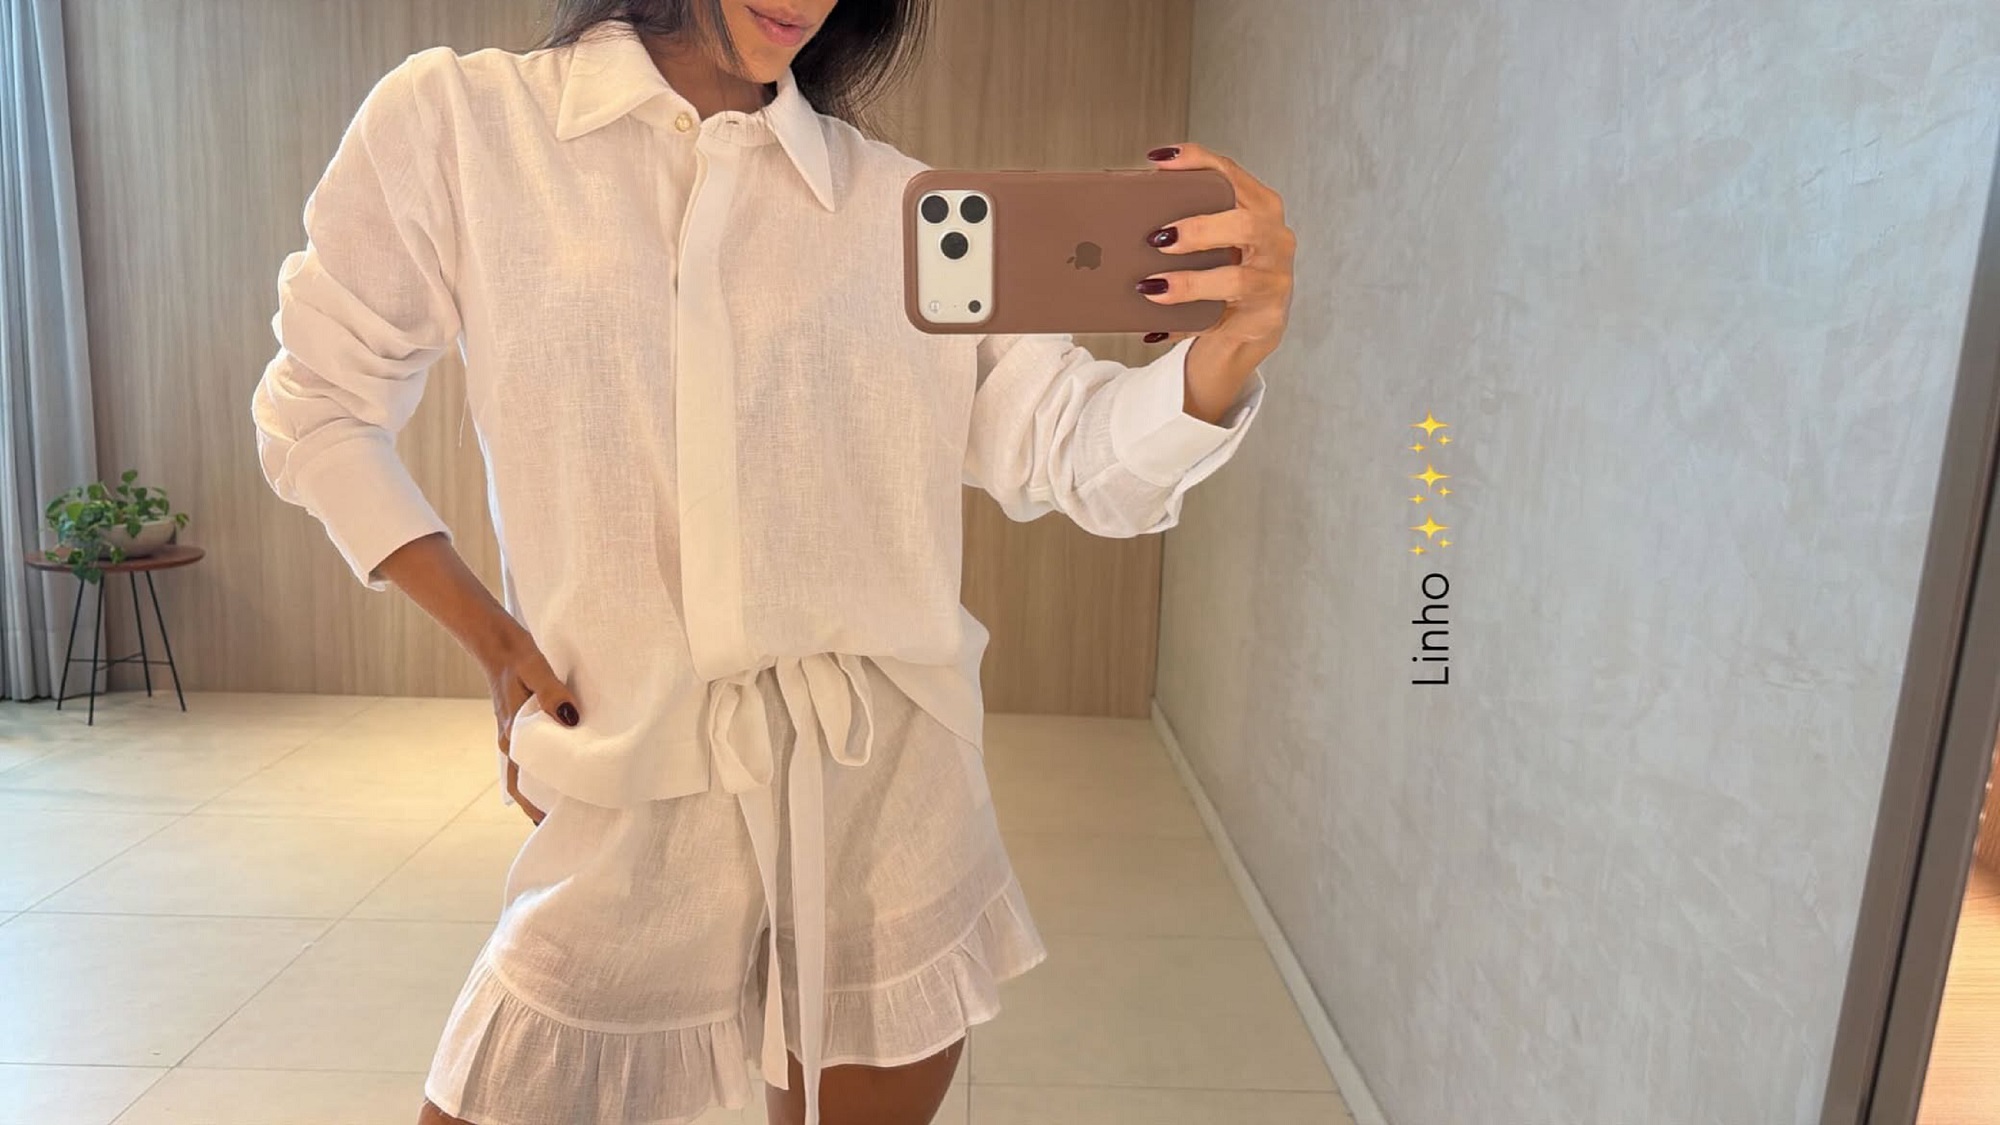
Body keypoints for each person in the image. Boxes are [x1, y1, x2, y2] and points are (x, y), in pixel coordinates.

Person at [249, 0, 1294, 1122]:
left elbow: (1075, 452)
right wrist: (494, 639)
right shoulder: (464, 125)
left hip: (890, 799)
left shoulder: (899, 205)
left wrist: (1225, 356)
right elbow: (318, 410)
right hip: (632, 790)